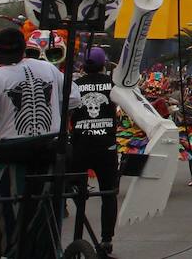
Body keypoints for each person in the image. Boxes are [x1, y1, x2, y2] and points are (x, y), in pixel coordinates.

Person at [0, 26, 80, 259]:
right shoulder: (48, 67)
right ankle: (44, 251)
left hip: (15, 157)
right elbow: (74, 98)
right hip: (50, 152)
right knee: (47, 210)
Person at [71, 47, 119, 259]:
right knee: (109, 194)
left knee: (76, 194)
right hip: (106, 148)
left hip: (80, 147)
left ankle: (77, 238)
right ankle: (106, 241)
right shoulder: (112, 85)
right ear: (104, 64)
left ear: (83, 65)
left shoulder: (75, 85)